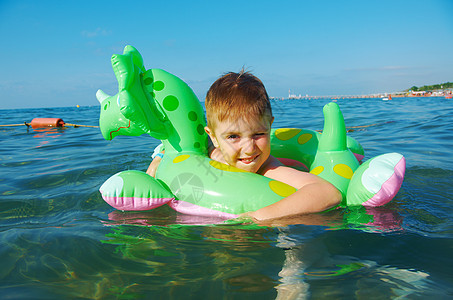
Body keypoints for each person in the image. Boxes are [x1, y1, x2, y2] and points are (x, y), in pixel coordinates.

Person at [147, 70, 341, 221]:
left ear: (270, 126)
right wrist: (160, 158)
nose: (249, 148)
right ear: (213, 136)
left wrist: (259, 216)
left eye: (258, 134)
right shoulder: (210, 150)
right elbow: (176, 144)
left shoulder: (269, 169)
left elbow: (328, 192)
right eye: (233, 136)